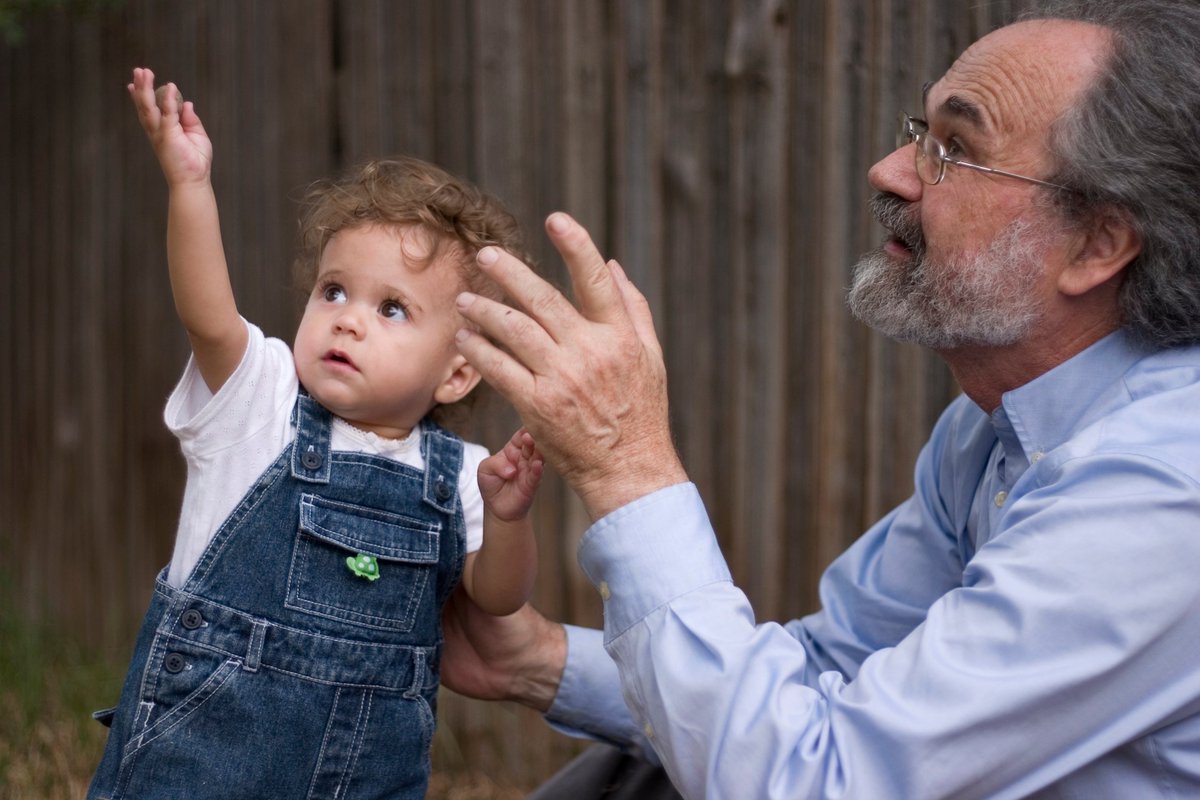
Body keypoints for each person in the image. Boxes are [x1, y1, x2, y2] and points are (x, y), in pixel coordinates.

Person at [440, 0, 1200, 797]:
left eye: (955, 150)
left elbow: (814, 778)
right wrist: (535, 661)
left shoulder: (1159, 491)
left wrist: (623, 463)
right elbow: (828, 672)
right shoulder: (994, 430)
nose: (890, 170)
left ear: (1098, 245)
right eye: (921, 132)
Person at [87, 68, 543, 800]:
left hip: (364, 775)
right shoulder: (259, 403)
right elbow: (208, 314)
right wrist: (189, 186)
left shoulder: (462, 475)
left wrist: (512, 515)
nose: (349, 317)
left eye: (392, 308)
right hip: (202, 761)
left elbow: (495, 597)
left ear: (457, 375)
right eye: (333, 290)